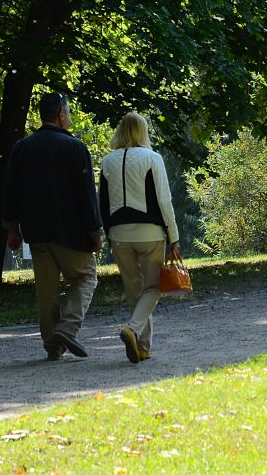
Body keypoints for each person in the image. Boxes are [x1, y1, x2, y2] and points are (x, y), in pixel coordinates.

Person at [2, 93, 104, 361]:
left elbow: (10, 191)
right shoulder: (74, 148)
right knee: (85, 277)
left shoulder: (22, 148)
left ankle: (52, 344)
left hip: (36, 231)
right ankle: (68, 328)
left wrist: (12, 229)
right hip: (70, 231)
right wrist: (95, 231)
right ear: (60, 114)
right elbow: (86, 194)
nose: (69, 117)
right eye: (68, 112)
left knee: (46, 291)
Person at [99, 112, 180, 364]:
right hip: (150, 233)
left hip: (119, 234)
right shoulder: (152, 158)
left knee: (134, 290)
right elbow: (164, 201)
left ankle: (143, 347)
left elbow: (102, 202)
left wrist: (108, 233)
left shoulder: (106, 161)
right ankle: (133, 330)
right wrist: (174, 236)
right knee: (154, 287)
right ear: (142, 132)